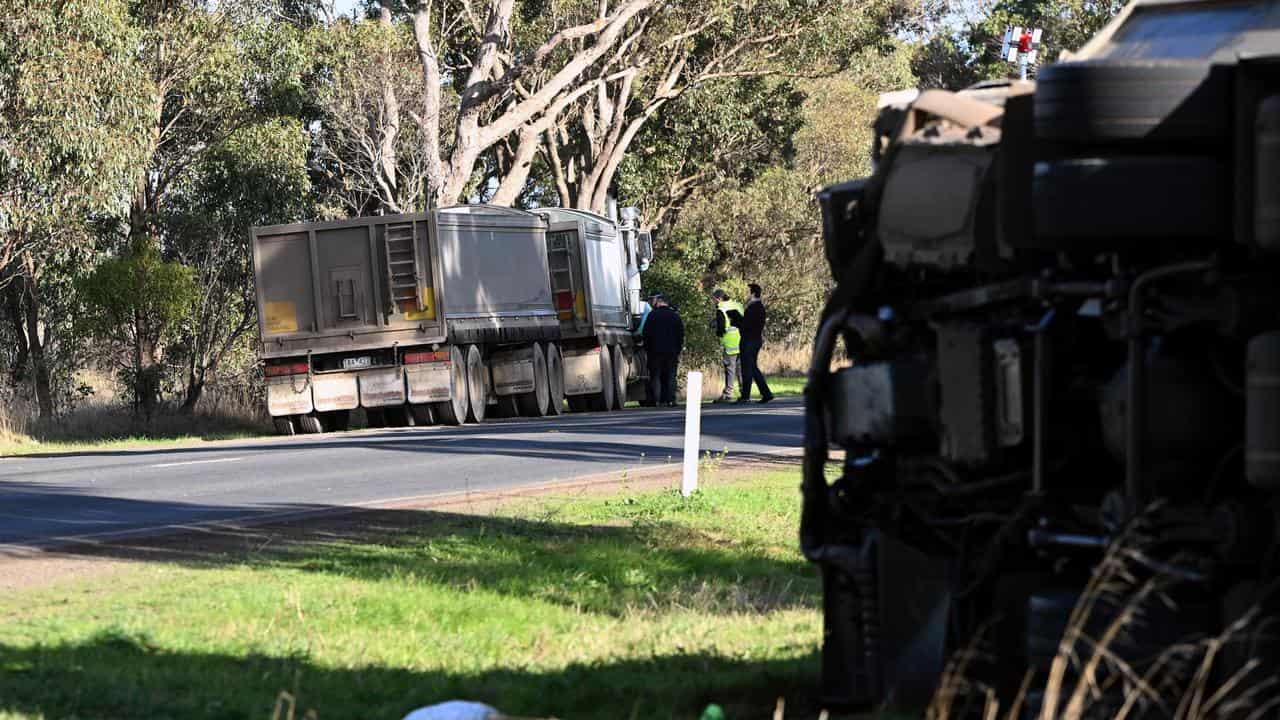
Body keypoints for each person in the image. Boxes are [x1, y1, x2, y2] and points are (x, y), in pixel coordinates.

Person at [641, 293, 684, 407]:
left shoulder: (652, 315)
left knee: (655, 375)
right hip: (671, 351)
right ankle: (671, 400)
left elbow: (646, 333)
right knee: (671, 375)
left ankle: (656, 400)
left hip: (655, 351)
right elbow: (680, 334)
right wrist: (678, 349)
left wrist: (647, 348)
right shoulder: (675, 316)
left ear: (659, 303)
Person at [737, 282, 774, 404]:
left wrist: (736, 320)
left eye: (748, 292)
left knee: (748, 368)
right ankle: (764, 393)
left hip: (749, 340)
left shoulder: (753, 308)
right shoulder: (760, 307)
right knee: (752, 367)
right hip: (756, 339)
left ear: (752, 293)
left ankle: (747, 396)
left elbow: (746, 325)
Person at [710, 288, 744, 403]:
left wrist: (714, 327)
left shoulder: (721, 308)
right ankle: (744, 393)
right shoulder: (738, 305)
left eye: (714, 300)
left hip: (730, 343)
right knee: (741, 369)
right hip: (743, 341)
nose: (714, 302)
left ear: (718, 298)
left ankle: (727, 394)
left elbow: (721, 328)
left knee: (730, 369)